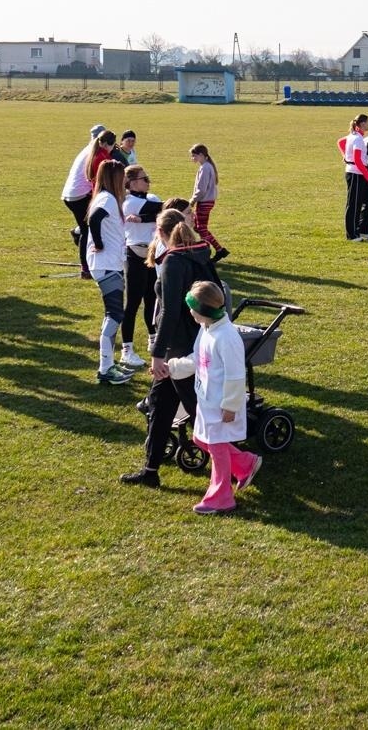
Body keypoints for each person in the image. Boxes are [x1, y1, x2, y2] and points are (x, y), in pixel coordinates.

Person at [121, 210, 210, 487]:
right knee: (160, 405)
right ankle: (150, 471)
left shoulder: (173, 262)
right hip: (193, 340)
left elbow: (170, 312)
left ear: (160, 233)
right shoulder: (199, 255)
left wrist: (158, 353)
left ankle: (237, 462)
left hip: (178, 347)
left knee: (198, 412)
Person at [184, 281, 260, 515]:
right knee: (200, 439)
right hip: (206, 400)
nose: (190, 312)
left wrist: (230, 406)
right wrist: (174, 367)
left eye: (192, 308)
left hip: (220, 405)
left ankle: (221, 497)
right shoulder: (206, 329)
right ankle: (245, 463)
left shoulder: (226, 337)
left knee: (217, 449)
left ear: (204, 311)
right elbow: (198, 358)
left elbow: (236, 376)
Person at [86, 159, 134, 385]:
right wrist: (99, 243)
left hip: (110, 263)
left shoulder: (110, 199)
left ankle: (109, 364)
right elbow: (94, 220)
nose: (125, 179)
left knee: (115, 314)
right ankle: (105, 368)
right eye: (122, 175)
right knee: (114, 315)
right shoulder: (106, 199)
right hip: (106, 263)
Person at [119, 164, 163, 370]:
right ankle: (126, 349)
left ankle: (153, 337)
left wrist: (143, 219)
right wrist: (147, 217)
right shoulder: (128, 202)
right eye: (145, 179)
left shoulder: (151, 198)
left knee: (152, 299)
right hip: (135, 254)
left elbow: (162, 211)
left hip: (152, 256)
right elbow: (162, 210)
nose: (148, 182)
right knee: (133, 302)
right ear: (132, 183)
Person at [61, 130, 112, 279]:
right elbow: (98, 180)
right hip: (79, 195)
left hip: (71, 194)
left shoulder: (90, 149)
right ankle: (86, 268)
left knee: (87, 226)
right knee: (88, 230)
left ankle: (78, 233)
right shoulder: (98, 154)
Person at [189, 144, 229, 262]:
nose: (192, 158)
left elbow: (201, 189)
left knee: (201, 229)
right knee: (197, 227)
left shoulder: (205, 168)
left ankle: (216, 250)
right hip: (207, 201)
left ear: (201, 155)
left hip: (204, 201)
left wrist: (192, 201)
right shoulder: (207, 166)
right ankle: (213, 250)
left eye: (194, 155)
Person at [340, 114, 368, 240]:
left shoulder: (354, 136)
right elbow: (358, 160)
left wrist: (345, 155)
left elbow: (341, 142)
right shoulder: (358, 139)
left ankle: (363, 230)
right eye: (367, 122)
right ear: (362, 124)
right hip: (355, 174)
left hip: (358, 172)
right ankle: (352, 234)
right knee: (354, 204)